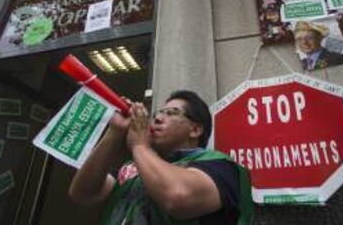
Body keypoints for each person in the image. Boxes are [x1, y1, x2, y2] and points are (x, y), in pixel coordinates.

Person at [69, 90, 253, 224]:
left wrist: (140, 145)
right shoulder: (133, 169)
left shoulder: (219, 165)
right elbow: (83, 193)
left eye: (171, 113)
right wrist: (114, 132)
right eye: (158, 113)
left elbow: (178, 197)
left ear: (195, 129)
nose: (157, 118)